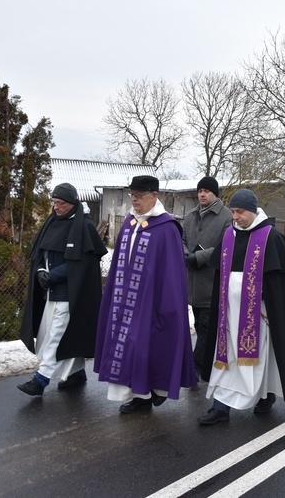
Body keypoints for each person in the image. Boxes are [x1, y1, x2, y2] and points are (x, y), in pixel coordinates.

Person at [198, 189, 285, 425]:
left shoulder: (271, 237)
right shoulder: (229, 235)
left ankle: (265, 396)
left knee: (261, 360)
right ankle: (221, 407)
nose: (235, 217)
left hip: (258, 316)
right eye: (232, 212)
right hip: (229, 316)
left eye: (240, 212)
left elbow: (282, 285)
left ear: (253, 211)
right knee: (227, 360)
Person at [94, 176, 197, 414]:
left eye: (139, 196)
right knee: (127, 348)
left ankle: (152, 393)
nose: (134, 200)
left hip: (152, 301)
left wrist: (167, 305)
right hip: (124, 301)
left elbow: (171, 273)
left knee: (147, 348)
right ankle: (139, 395)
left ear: (154, 196)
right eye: (132, 195)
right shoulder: (130, 223)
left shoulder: (166, 228)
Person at [18, 183, 108, 395]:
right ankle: (76, 373)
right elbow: (41, 254)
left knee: (55, 337)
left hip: (70, 293)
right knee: (57, 334)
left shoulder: (84, 227)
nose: (56, 208)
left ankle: (41, 379)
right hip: (50, 291)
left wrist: (53, 275)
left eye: (61, 204)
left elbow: (82, 264)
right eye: (54, 203)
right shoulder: (51, 223)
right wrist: (41, 270)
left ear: (72, 203)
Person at [182, 176, 232, 377]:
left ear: (215, 193)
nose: (202, 194)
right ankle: (206, 359)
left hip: (213, 281)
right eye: (200, 190)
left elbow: (226, 246)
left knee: (205, 324)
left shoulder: (226, 216)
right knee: (198, 323)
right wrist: (187, 255)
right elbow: (182, 239)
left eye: (207, 191)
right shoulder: (190, 216)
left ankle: (197, 366)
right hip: (193, 281)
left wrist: (199, 257)